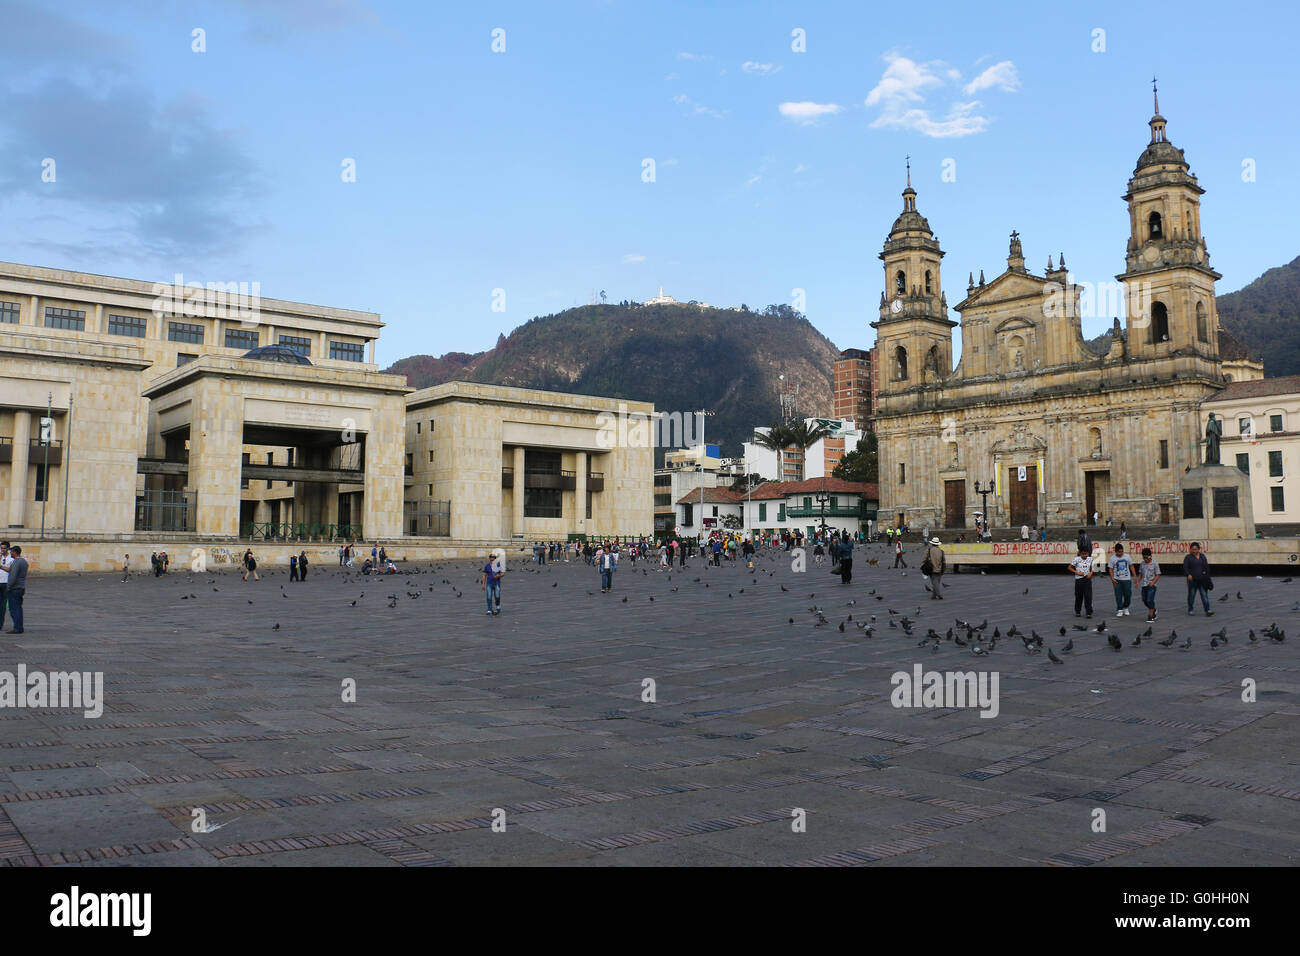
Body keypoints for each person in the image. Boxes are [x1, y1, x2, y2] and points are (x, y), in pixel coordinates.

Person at [1183, 542, 1213, 616]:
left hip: (1202, 580)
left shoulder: (1202, 556)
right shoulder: (1188, 557)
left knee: (1204, 595)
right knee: (1192, 595)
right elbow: (1185, 567)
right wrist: (1188, 575)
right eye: (1192, 549)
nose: (1194, 551)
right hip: (1192, 580)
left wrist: (1207, 577)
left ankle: (1207, 610)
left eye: (1195, 549)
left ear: (1199, 549)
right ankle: (1190, 609)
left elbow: (1206, 567)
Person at [5, 546, 27, 634]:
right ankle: (19, 627)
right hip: (20, 587)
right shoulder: (23, 561)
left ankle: (17, 628)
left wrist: (8, 587)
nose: (10, 553)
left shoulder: (17, 562)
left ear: (14, 552)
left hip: (15, 588)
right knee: (18, 608)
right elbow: (10, 570)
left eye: (11, 552)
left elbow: (13, 576)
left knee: (14, 609)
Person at [1108, 542, 1133, 616]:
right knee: (1118, 595)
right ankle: (1120, 609)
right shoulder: (1112, 558)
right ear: (1115, 551)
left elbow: (1131, 566)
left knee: (1128, 594)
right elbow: (1110, 569)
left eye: (1122, 551)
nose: (1121, 553)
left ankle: (1126, 607)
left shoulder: (1127, 556)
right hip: (1117, 579)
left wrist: (1134, 576)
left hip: (1127, 579)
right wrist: (1112, 578)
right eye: (1119, 552)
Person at [1069, 545, 1094, 618]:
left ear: (1088, 553)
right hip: (1079, 580)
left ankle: (1088, 612)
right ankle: (1078, 611)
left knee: (1088, 596)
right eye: (1083, 554)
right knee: (1079, 596)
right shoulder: (1076, 559)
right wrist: (1077, 572)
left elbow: (1093, 568)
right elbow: (1069, 567)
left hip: (1087, 579)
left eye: (1086, 554)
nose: (1084, 555)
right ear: (1080, 553)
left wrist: (1091, 574)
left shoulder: (1090, 559)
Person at [1138, 547, 1161, 622]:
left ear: (1150, 556)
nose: (1145, 559)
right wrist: (1138, 581)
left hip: (1152, 585)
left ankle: (1150, 616)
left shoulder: (1155, 563)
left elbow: (1158, 574)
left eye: (1146, 557)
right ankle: (1154, 610)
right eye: (1144, 557)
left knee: (1149, 600)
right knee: (1144, 600)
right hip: (1144, 585)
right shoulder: (1142, 564)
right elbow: (1141, 573)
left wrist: (1153, 583)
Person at [0, 543, 10, 630]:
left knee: (3, 605)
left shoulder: (12, 559)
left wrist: (1, 567)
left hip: (6, 583)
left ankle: (0, 623)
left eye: (4, 548)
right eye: (1, 548)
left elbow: (11, 570)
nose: (2, 550)